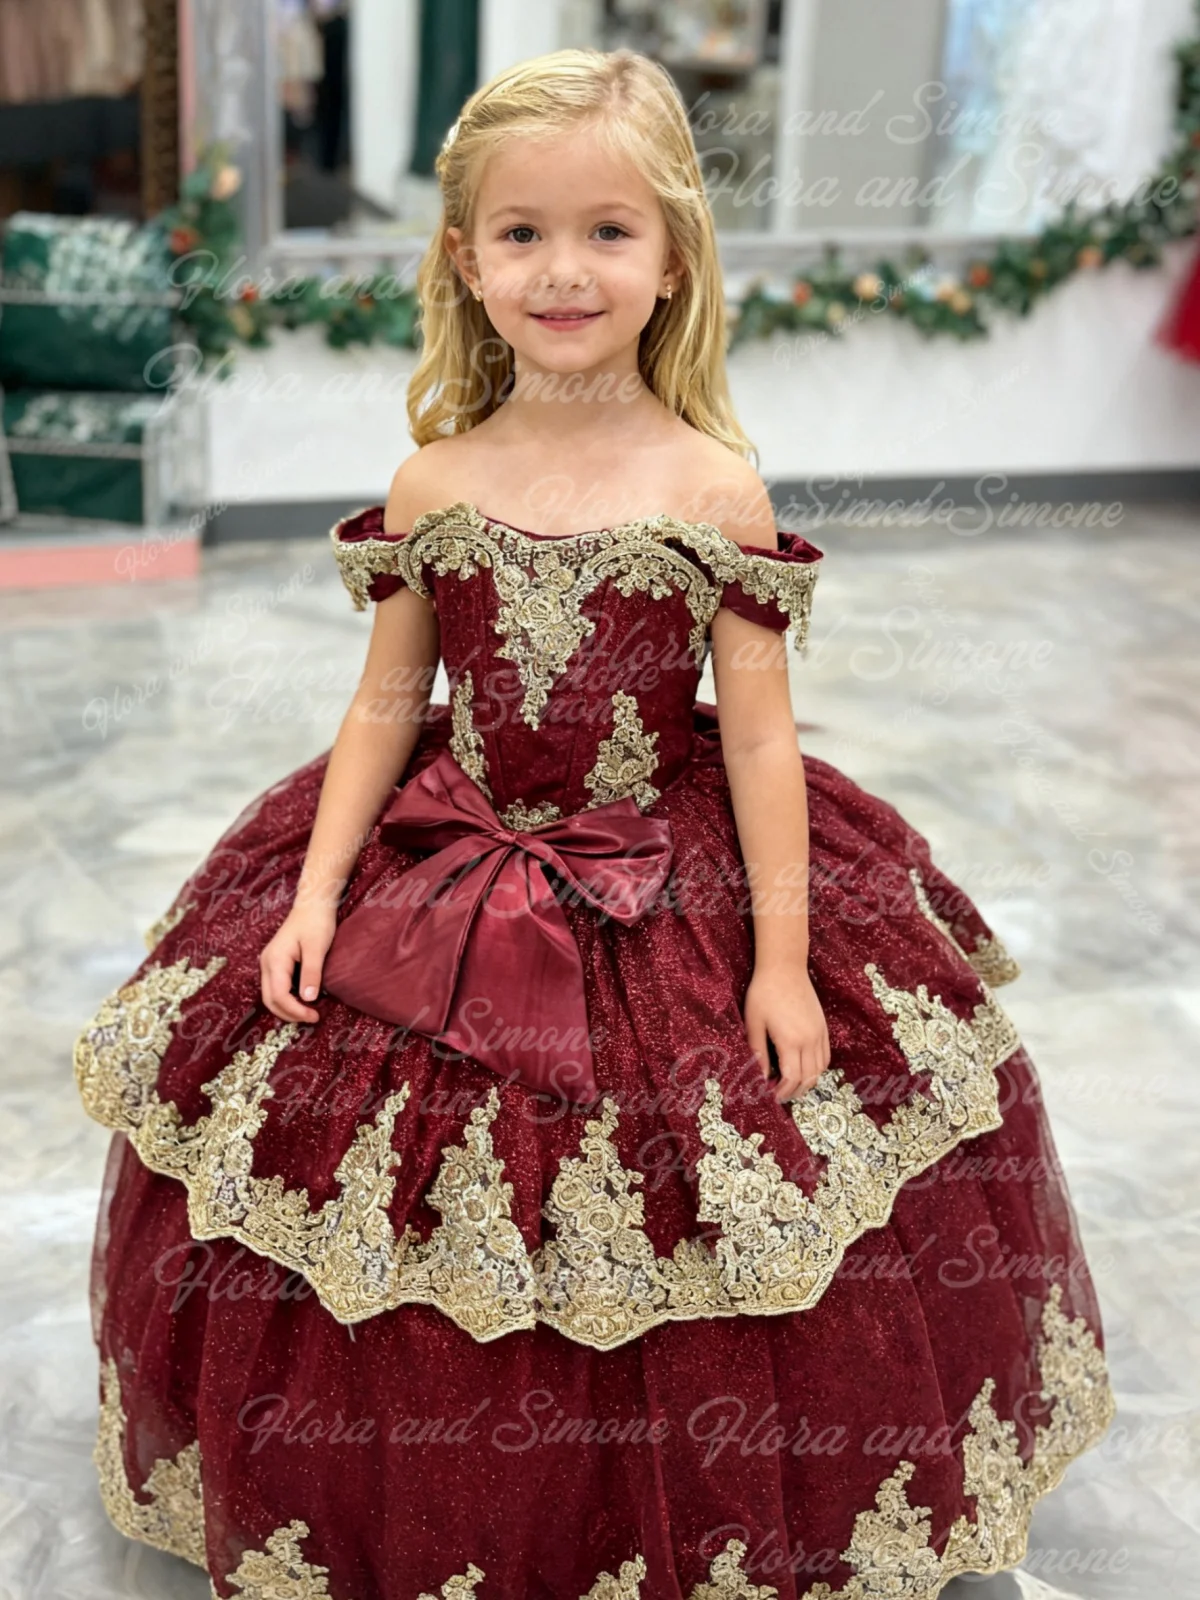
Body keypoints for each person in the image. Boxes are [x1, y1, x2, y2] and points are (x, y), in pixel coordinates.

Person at [75, 47, 1116, 1600]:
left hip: (666, 872)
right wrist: (311, 894)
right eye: (523, 234)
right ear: (464, 258)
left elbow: (759, 738)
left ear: (675, 257)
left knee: (688, 1199)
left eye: (609, 232)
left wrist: (780, 962)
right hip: (445, 860)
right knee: (403, 1190)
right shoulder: (432, 484)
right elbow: (386, 705)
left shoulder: (715, 488)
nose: (565, 270)